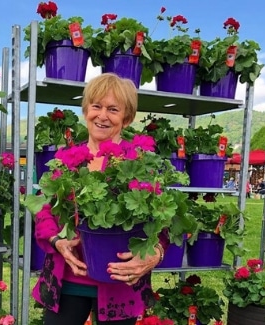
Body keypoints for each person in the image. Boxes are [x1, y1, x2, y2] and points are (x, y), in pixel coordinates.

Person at [32, 73, 169, 325]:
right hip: (68, 278)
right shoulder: (66, 159)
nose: (102, 115)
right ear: (86, 111)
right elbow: (43, 209)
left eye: (113, 109)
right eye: (96, 106)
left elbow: (162, 221)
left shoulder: (140, 162)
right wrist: (57, 240)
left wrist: (154, 254)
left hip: (119, 279)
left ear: (125, 118)